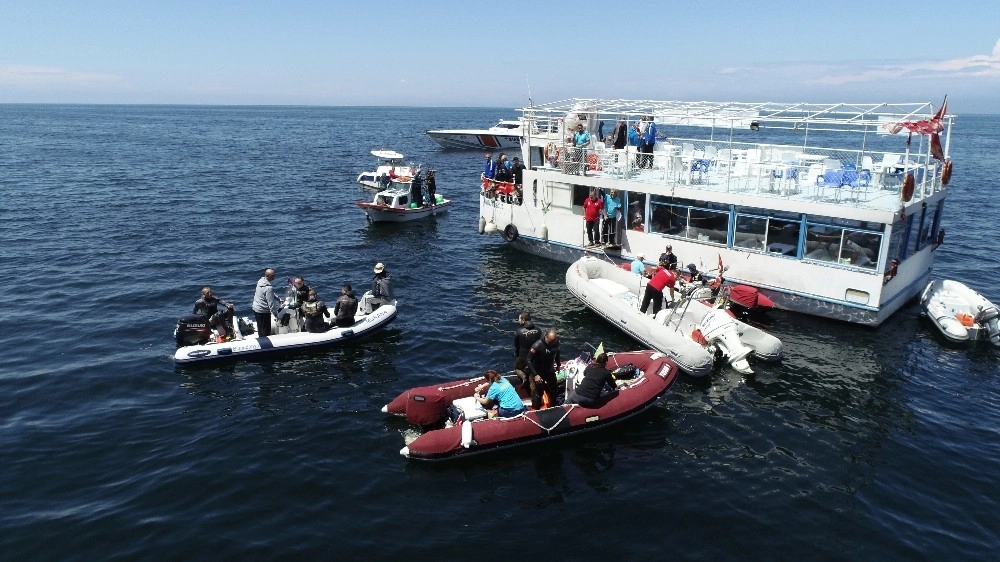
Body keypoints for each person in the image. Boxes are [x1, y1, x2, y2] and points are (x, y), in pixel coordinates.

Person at [525, 329, 561, 410]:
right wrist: (535, 375)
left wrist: (558, 364)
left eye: (553, 342)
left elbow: (557, 353)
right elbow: (528, 360)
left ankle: (553, 406)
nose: (551, 344)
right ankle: (536, 409)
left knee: (554, 389)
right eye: (550, 342)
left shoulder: (556, 343)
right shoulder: (537, 345)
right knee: (538, 392)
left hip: (549, 370)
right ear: (546, 337)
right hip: (538, 372)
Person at [513, 311, 542, 386]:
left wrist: (517, 357)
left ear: (523, 320)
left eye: (519, 319)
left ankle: (524, 377)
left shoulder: (519, 331)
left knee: (517, 369)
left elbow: (517, 346)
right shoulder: (538, 329)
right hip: (535, 358)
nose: (518, 321)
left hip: (523, 358)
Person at [251, 268, 282, 337]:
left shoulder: (261, 281)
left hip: (256, 308)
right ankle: (265, 343)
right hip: (263, 311)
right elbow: (271, 304)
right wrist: (276, 315)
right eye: (272, 275)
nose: (274, 276)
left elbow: (270, 294)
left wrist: (278, 299)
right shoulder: (269, 288)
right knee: (266, 330)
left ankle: (261, 337)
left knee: (260, 328)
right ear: (268, 276)